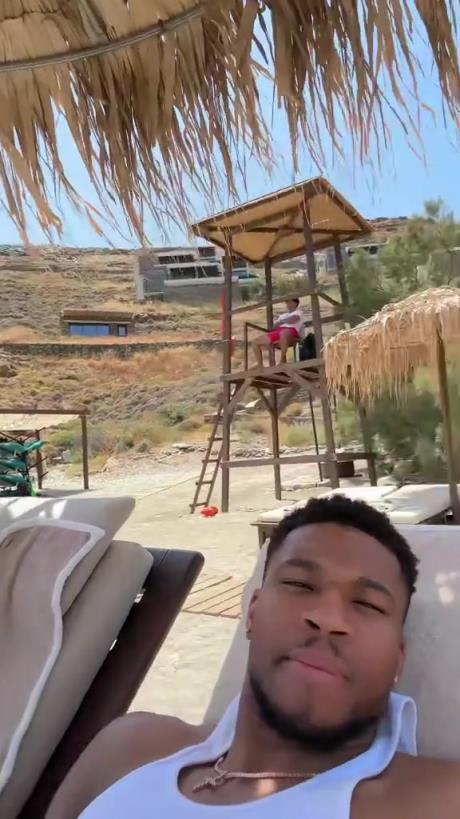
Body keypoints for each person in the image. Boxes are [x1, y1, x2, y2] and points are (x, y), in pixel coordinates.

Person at [48, 496, 460, 818]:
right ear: (252, 614)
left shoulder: (436, 802)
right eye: (300, 584)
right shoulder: (128, 750)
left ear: (398, 660)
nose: (328, 618)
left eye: (368, 605)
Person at [252, 298, 304, 367]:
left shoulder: (299, 312)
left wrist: (281, 322)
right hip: (278, 331)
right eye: (286, 302)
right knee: (255, 342)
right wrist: (284, 321)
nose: (287, 303)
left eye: (288, 301)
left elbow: (292, 321)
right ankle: (260, 365)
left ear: (295, 303)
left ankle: (282, 361)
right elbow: (275, 326)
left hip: (291, 330)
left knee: (283, 333)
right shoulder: (282, 315)